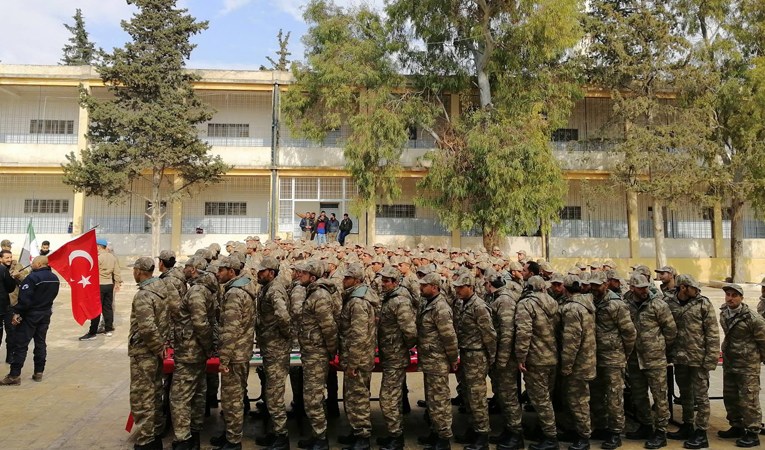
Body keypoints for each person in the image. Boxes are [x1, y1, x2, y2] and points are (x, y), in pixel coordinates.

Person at [624, 273, 677, 449]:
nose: (644, 290)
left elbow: (670, 330)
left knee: (660, 397)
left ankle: (661, 432)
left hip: (655, 359)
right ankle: (646, 426)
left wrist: (660, 348)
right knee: (639, 396)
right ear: (632, 288)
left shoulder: (658, 305)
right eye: (640, 288)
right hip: (634, 359)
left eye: (646, 287)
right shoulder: (626, 305)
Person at [170, 256, 216, 449]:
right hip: (196, 350)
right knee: (198, 393)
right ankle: (194, 434)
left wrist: (206, 346)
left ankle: (184, 438)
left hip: (190, 351)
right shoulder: (202, 289)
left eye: (187, 267)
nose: (185, 269)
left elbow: (200, 323)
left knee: (180, 397)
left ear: (195, 269)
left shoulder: (197, 291)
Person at [213, 256, 257, 450]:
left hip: (234, 354)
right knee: (233, 397)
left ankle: (233, 440)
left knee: (232, 400)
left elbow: (231, 329)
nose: (218, 273)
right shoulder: (242, 289)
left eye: (222, 270)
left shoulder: (234, 294)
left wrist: (224, 359)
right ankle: (230, 433)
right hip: (241, 350)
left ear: (232, 271)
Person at [125, 257, 169, 450]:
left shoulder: (144, 295)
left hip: (145, 352)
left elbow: (147, 328)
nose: (133, 273)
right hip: (156, 350)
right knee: (154, 392)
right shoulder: (160, 287)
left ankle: (146, 439)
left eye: (134, 269)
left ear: (140, 271)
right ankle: (156, 432)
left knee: (142, 396)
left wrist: (158, 347)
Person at [589, 272, 635, 450]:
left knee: (614, 396)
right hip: (595, 356)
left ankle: (616, 432)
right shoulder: (591, 302)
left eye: (598, 285)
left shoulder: (616, 305)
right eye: (592, 284)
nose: (594, 288)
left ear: (606, 285)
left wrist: (624, 353)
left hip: (613, 358)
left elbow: (629, 333)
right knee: (596, 394)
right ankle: (601, 426)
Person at [295, 260, 338, 450]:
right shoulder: (312, 292)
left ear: (313, 277)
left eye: (303, 273)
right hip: (311, 352)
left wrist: (330, 351)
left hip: (317, 353)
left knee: (313, 397)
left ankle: (321, 439)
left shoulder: (319, 296)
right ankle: (317, 434)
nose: (299, 275)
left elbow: (328, 327)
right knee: (312, 396)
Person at [453, 271, 496, 450]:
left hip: (477, 356)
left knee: (477, 397)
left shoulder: (479, 306)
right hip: (466, 354)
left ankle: (482, 435)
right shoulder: (463, 303)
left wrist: (491, 357)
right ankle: (474, 429)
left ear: (470, 287)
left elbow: (490, 334)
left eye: (460, 287)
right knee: (468, 396)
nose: (457, 290)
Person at [515, 276, 559, 450]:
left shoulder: (526, 304)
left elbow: (524, 333)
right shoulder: (553, 302)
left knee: (541, 401)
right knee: (547, 397)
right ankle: (544, 431)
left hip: (536, 359)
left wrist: (520, 357)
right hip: (552, 357)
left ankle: (551, 438)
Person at [0, 256, 59, 386]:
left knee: (21, 345)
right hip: (45, 314)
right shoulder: (54, 279)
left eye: (32, 263)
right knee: (40, 343)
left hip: (30, 315)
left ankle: (14, 375)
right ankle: (39, 372)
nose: (31, 265)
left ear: (38, 264)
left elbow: (25, 300)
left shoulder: (32, 278)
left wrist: (17, 312)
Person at [718, 282, 765, 448]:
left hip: (748, 365)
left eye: (734, 295)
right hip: (730, 363)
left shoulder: (754, 319)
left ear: (741, 298)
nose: (730, 298)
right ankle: (736, 426)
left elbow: (763, 342)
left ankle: (753, 432)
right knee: (730, 396)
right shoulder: (724, 313)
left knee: (749, 399)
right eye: (728, 295)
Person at [337, 262, 378, 450]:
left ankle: (362, 437)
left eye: (347, 278)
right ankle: (356, 432)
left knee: (358, 398)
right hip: (356, 357)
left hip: (358, 359)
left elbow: (359, 335)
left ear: (357, 280)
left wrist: (352, 363)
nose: (344, 281)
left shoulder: (358, 302)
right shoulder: (355, 297)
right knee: (352, 397)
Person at [416, 272, 459, 450]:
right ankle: (435, 432)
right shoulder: (429, 304)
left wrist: (452, 357)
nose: (421, 287)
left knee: (440, 401)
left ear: (434, 287)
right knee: (432, 400)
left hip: (438, 360)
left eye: (424, 285)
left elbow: (449, 336)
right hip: (429, 360)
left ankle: (444, 438)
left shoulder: (440, 307)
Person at [376, 265, 417, 450]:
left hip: (396, 356)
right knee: (394, 397)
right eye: (382, 280)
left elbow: (409, 330)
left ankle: (396, 437)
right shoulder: (390, 297)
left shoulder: (400, 300)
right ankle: (395, 434)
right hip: (390, 354)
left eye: (386, 281)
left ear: (395, 282)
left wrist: (402, 347)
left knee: (388, 398)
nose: (383, 284)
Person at [254, 256, 292, 450]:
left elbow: (284, 317)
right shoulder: (266, 288)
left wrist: (284, 337)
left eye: (262, 271)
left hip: (276, 348)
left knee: (275, 394)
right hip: (270, 346)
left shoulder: (275, 289)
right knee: (270, 393)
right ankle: (276, 432)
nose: (258, 274)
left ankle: (282, 437)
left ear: (271, 272)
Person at [484, 269, 524, 450]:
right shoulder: (497, 299)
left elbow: (507, 333)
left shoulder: (504, 300)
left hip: (505, 357)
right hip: (499, 355)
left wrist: (502, 359)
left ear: (490, 284)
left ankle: (516, 435)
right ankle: (509, 430)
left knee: (509, 396)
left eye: (485, 283)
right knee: (502, 394)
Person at [558, 275, 596, 450]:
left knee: (578, 400)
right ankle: (574, 431)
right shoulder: (587, 304)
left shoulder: (572, 308)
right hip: (587, 359)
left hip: (578, 364)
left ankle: (583, 436)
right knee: (575, 399)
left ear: (565, 289)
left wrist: (566, 366)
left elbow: (571, 341)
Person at [79, 238, 122, 340]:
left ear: (98, 246)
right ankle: (108, 329)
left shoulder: (97, 258)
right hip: (109, 285)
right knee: (108, 307)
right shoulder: (112, 257)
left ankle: (92, 332)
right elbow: (117, 272)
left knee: (96, 308)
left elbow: (91, 272)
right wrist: (118, 282)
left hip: (99, 286)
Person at [0, 250, 17, 364]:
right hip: (4, 306)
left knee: (10, 332)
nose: (9, 259)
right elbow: (10, 287)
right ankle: (10, 357)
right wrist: (11, 278)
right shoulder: (3, 270)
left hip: (8, 306)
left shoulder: (12, 267)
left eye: (10, 257)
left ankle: (10, 356)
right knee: (9, 332)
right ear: (0, 258)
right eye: (6, 257)